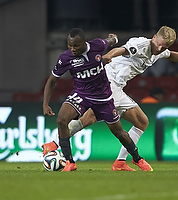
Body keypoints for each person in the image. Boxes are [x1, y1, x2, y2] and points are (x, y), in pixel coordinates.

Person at [43, 26, 178, 171]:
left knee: (110, 119)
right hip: (108, 83)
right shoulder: (141, 44)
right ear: (154, 37)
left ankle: (58, 145)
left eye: (163, 46)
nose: (159, 48)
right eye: (158, 43)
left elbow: (171, 55)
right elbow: (122, 49)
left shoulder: (158, 51)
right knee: (131, 121)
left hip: (115, 86)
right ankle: (58, 144)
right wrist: (107, 56)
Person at [43, 28, 153, 172]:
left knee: (119, 132)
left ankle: (137, 158)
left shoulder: (97, 45)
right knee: (61, 120)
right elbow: (52, 80)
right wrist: (45, 104)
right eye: (70, 46)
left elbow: (110, 41)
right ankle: (70, 162)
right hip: (81, 94)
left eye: (75, 46)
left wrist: (114, 39)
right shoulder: (65, 58)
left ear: (84, 42)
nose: (72, 49)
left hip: (103, 97)